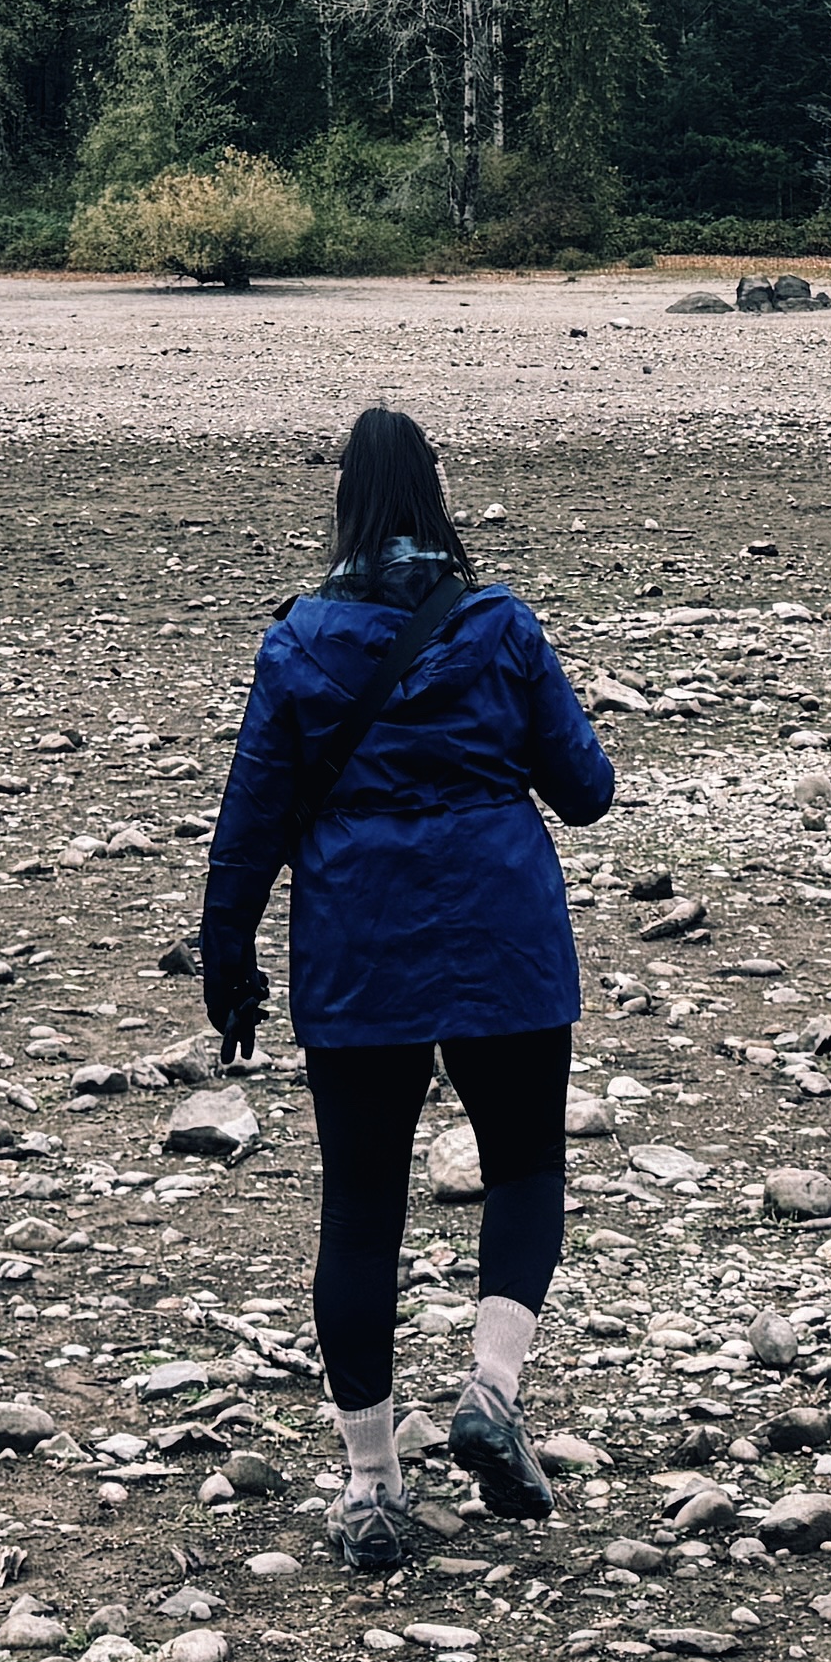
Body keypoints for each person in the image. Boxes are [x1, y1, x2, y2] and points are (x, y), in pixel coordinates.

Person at [196, 405, 621, 1573]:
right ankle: (491, 1387)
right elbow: (586, 791)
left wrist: (226, 958)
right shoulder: (499, 625)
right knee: (527, 1164)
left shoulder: (296, 644)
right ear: (437, 497)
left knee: (363, 1205)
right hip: (504, 934)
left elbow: (253, 819)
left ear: (344, 504)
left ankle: (371, 1485)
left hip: (359, 938)